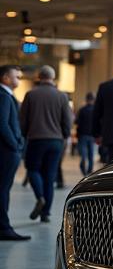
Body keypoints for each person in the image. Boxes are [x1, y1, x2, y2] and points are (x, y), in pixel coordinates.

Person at [19, 65, 73, 224]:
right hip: (56, 141)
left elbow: (23, 120)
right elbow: (68, 121)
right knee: (49, 176)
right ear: (53, 77)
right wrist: (64, 135)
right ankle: (46, 213)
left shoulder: (30, 94)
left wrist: (25, 134)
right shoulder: (62, 96)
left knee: (33, 169)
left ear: (38, 76)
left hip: (36, 139)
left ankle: (40, 197)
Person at [0, 64, 28, 241]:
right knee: (3, 189)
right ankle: (4, 227)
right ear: (5, 78)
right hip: (6, 152)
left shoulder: (7, 96)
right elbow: (2, 124)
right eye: (16, 76)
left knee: (4, 188)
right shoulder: (3, 96)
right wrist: (15, 145)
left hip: (9, 150)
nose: (19, 79)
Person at [75, 93, 96, 175]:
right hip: (92, 135)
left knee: (83, 153)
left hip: (83, 134)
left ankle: (83, 165)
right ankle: (90, 170)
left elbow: (77, 122)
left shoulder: (82, 110)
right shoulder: (95, 110)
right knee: (91, 153)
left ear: (86, 99)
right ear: (93, 100)